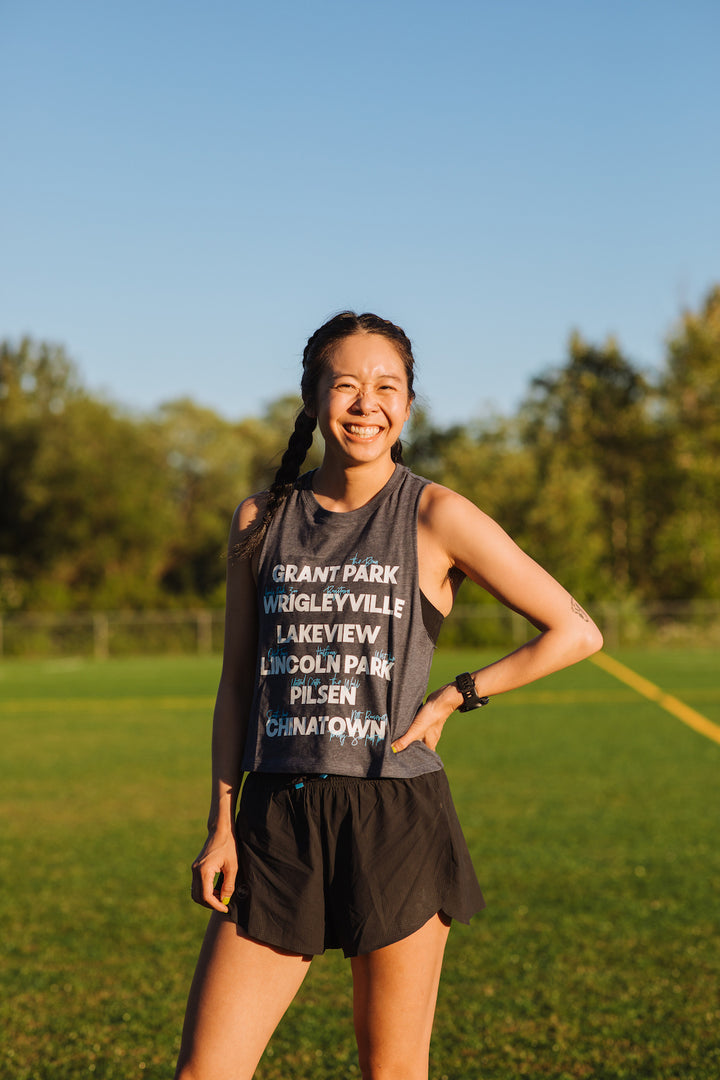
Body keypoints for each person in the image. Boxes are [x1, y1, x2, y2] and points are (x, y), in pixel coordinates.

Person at [174, 311, 603, 1080]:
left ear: (407, 405)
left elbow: (575, 631)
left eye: (386, 387)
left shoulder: (435, 514)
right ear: (311, 400)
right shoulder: (261, 520)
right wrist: (221, 824)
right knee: (207, 1071)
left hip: (395, 817)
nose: (365, 402)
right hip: (276, 817)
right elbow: (238, 680)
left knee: (393, 1072)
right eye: (345, 385)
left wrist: (456, 695)